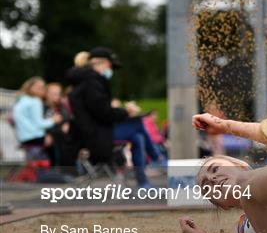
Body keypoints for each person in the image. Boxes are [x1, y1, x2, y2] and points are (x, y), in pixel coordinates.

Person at [67, 47, 161, 187]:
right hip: (95, 135)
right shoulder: (92, 82)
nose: (110, 69)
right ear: (102, 63)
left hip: (94, 131)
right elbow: (102, 113)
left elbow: (99, 110)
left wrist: (121, 111)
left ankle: (144, 182)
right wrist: (126, 112)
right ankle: (157, 158)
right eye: (110, 65)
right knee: (138, 124)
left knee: (137, 137)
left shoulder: (86, 81)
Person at [12, 77, 62, 156]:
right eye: (38, 87)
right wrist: (53, 120)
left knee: (33, 163)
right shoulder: (35, 101)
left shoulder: (21, 99)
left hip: (23, 137)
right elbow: (39, 123)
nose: (41, 89)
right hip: (35, 136)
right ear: (30, 87)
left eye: (42, 87)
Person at [44, 83, 72, 166]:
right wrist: (48, 133)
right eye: (53, 93)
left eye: (58, 93)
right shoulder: (42, 107)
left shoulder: (62, 106)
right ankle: (59, 170)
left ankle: (67, 169)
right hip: (51, 135)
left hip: (62, 134)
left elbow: (67, 119)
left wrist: (67, 124)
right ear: (46, 94)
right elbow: (40, 124)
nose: (56, 96)